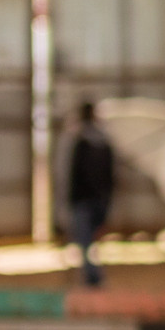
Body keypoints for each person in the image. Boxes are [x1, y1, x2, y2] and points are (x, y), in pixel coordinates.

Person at [65, 101, 114, 286]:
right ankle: (93, 275)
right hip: (97, 200)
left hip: (84, 200)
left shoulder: (78, 142)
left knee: (85, 240)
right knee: (89, 239)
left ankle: (92, 276)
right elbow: (110, 176)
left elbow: (70, 175)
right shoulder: (102, 142)